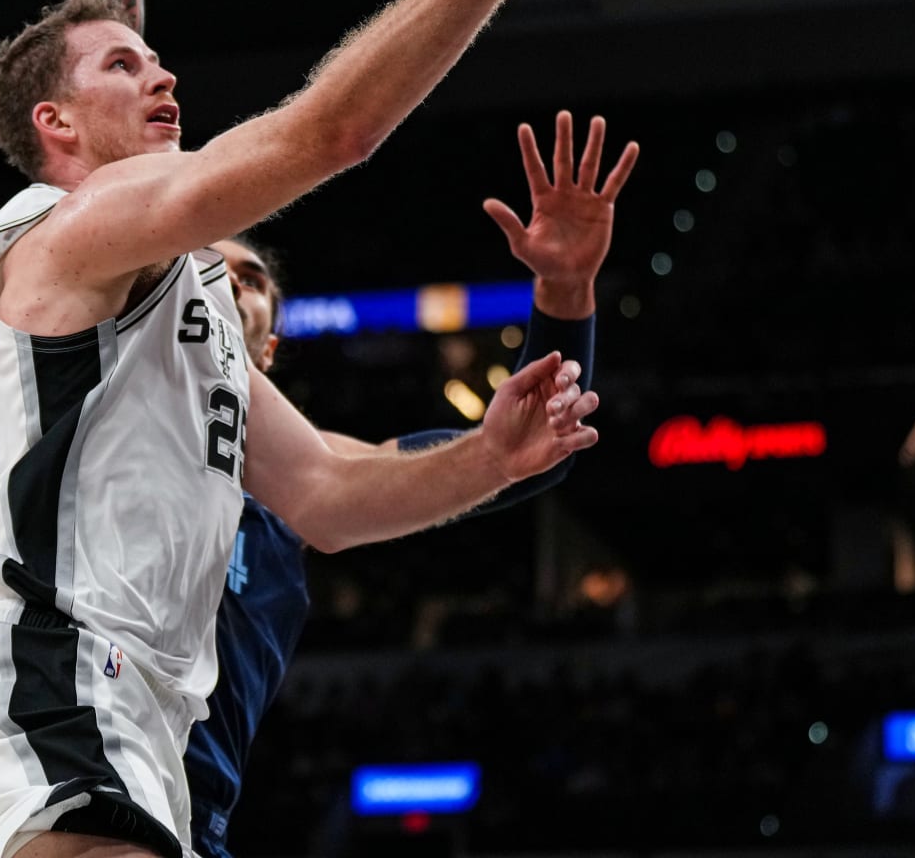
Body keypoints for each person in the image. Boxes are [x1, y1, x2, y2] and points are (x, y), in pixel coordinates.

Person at [0, 0, 665, 858]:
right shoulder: (55, 235)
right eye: (128, 72)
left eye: (158, 62)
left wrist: (484, 457)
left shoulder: (182, 313)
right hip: (66, 673)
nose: (164, 76)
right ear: (56, 134)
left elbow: (323, 492)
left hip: (148, 713)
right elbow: (333, 133)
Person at [192, 110, 636, 858]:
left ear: (268, 345)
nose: (230, 281)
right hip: (74, 769)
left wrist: (565, 291)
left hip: (192, 804)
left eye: (252, 276)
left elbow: (528, 453)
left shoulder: (314, 469)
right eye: (210, 269)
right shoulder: (110, 416)